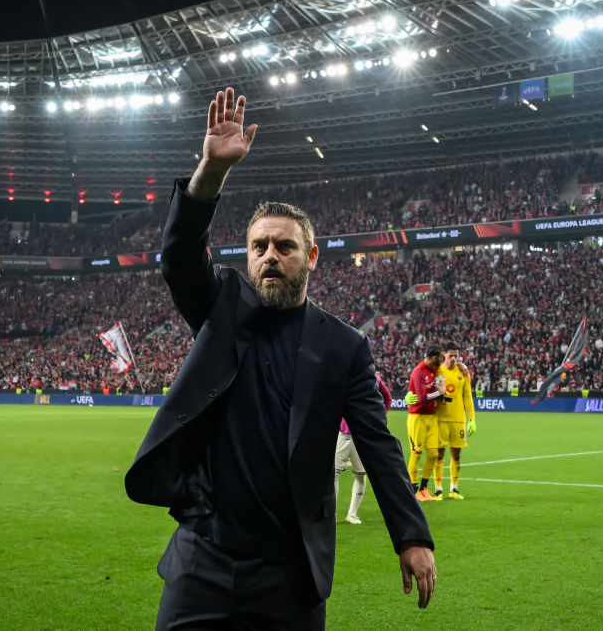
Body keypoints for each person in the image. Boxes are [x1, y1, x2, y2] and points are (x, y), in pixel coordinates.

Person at [125, 87, 435, 630]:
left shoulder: (343, 347)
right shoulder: (221, 309)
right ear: (246, 257)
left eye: (284, 247)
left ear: (310, 256)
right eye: (259, 246)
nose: (270, 255)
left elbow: (378, 445)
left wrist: (411, 535)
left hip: (289, 571)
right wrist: (211, 171)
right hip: (204, 558)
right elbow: (177, 255)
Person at [334, 370, 392, 525]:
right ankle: (331, 514)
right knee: (333, 475)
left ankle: (352, 514)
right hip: (343, 435)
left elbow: (387, 398)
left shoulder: (375, 380)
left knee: (360, 475)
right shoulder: (343, 377)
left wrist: (380, 417)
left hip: (362, 436)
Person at [433, 344, 476, 499]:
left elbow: (467, 396)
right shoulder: (438, 371)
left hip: (458, 420)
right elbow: (438, 392)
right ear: (444, 354)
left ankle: (454, 489)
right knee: (439, 454)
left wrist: (472, 419)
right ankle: (438, 490)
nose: (453, 358)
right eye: (451, 355)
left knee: (456, 455)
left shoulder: (463, 372)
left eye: (456, 356)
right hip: (441, 419)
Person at [404, 344, 444, 502]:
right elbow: (421, 398)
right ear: (433, 357)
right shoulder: (418, 372)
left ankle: (424, 488)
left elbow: (442, 378)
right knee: (417, 453)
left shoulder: (435, 369)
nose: (440, 362)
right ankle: (413, 490)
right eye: (439, 359)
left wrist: (442, 385)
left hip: (431, 417)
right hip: (417, 417)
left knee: (434, 454)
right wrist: (439, 392)